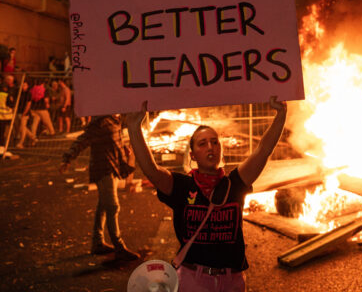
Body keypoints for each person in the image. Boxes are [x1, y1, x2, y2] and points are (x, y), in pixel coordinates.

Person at [126, 96, 287, 291]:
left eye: (214, 142)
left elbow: (263, 150)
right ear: (192, 155)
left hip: (232, 281)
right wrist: (134, 127)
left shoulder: (235, 184)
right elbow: (150, 169)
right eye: (202, 144)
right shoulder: (181, 186)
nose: (210, 147)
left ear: (220, 149)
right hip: (193, 280)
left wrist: (280, 114)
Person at [60, 114, 140, 261]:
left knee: (103, 205)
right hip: (103, 170)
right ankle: (119, 247)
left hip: (113, 168)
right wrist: (67, 158)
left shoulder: (115, 121)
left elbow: (115, 143)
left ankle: (97, 243)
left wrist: (124, 153)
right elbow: (82, 140)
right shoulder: (101, 122)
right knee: (113, 207)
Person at [15, 80, 37, 148]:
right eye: (22, 85)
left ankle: (21, 143)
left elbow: (28, 104)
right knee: (23, 127)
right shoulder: (19, 93)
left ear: (27, 86)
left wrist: (24, 113)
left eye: (24, 85)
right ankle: (33, 138)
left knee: (22, 128)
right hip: (18, 112)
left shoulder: (28, 94)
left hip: (24, 113)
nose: (23, 87)